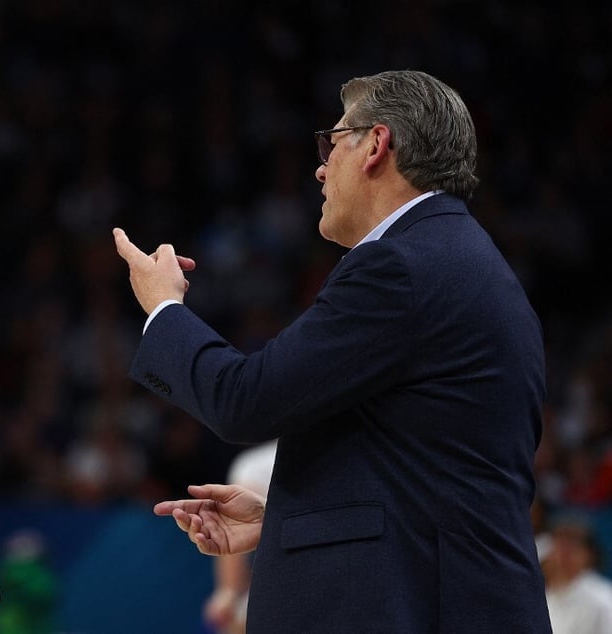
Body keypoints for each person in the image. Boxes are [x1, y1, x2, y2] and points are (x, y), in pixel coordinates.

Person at [113, 70, 551, 632]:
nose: (320, 167)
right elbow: (431, 476)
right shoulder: (459, 259)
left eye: (332, 142)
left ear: (376, 144)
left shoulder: (402, 265)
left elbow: (245, 402)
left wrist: (163, 309)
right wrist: (285, 519)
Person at [202, 440, 276, 634]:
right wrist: (229, 594)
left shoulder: (254, 466)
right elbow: (235, 531)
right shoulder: (256, 466)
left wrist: (229, 594)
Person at [541, 518, 612, 634]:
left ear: (589, 554)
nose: (564, 553)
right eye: (559, 544)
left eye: (572, 546)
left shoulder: (603, 597)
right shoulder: (544, 594)